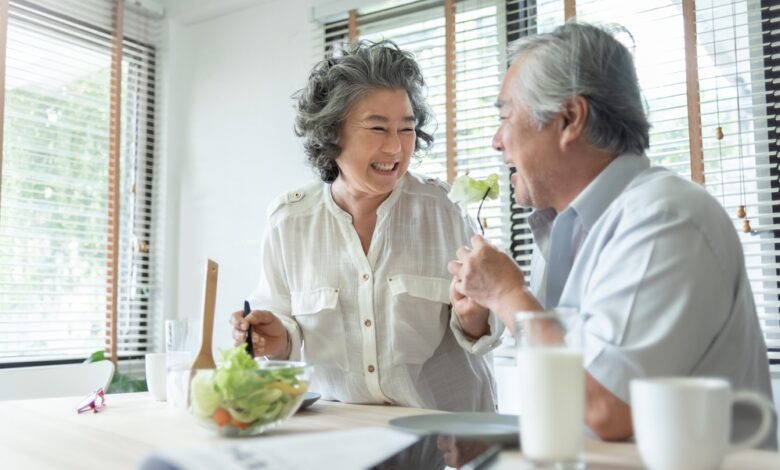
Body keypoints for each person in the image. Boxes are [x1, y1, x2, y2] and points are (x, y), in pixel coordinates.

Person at [447, 23, 776, 447]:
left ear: (569, 119)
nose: (496, 142)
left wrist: (508, 295)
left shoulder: (665, 220)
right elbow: (568, 398)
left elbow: (606, 409)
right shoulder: (562, 229)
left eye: (505, 117)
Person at [230, 40, 503, 412]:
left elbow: (487, 330)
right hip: (346, 434)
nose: (395, 148)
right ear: (332, 132)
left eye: (406, 130)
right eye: (378, 129)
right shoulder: (289, 223)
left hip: (446, 436)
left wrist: (476, 318)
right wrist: (272, 338)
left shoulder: (446, 211)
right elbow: (282, 334)